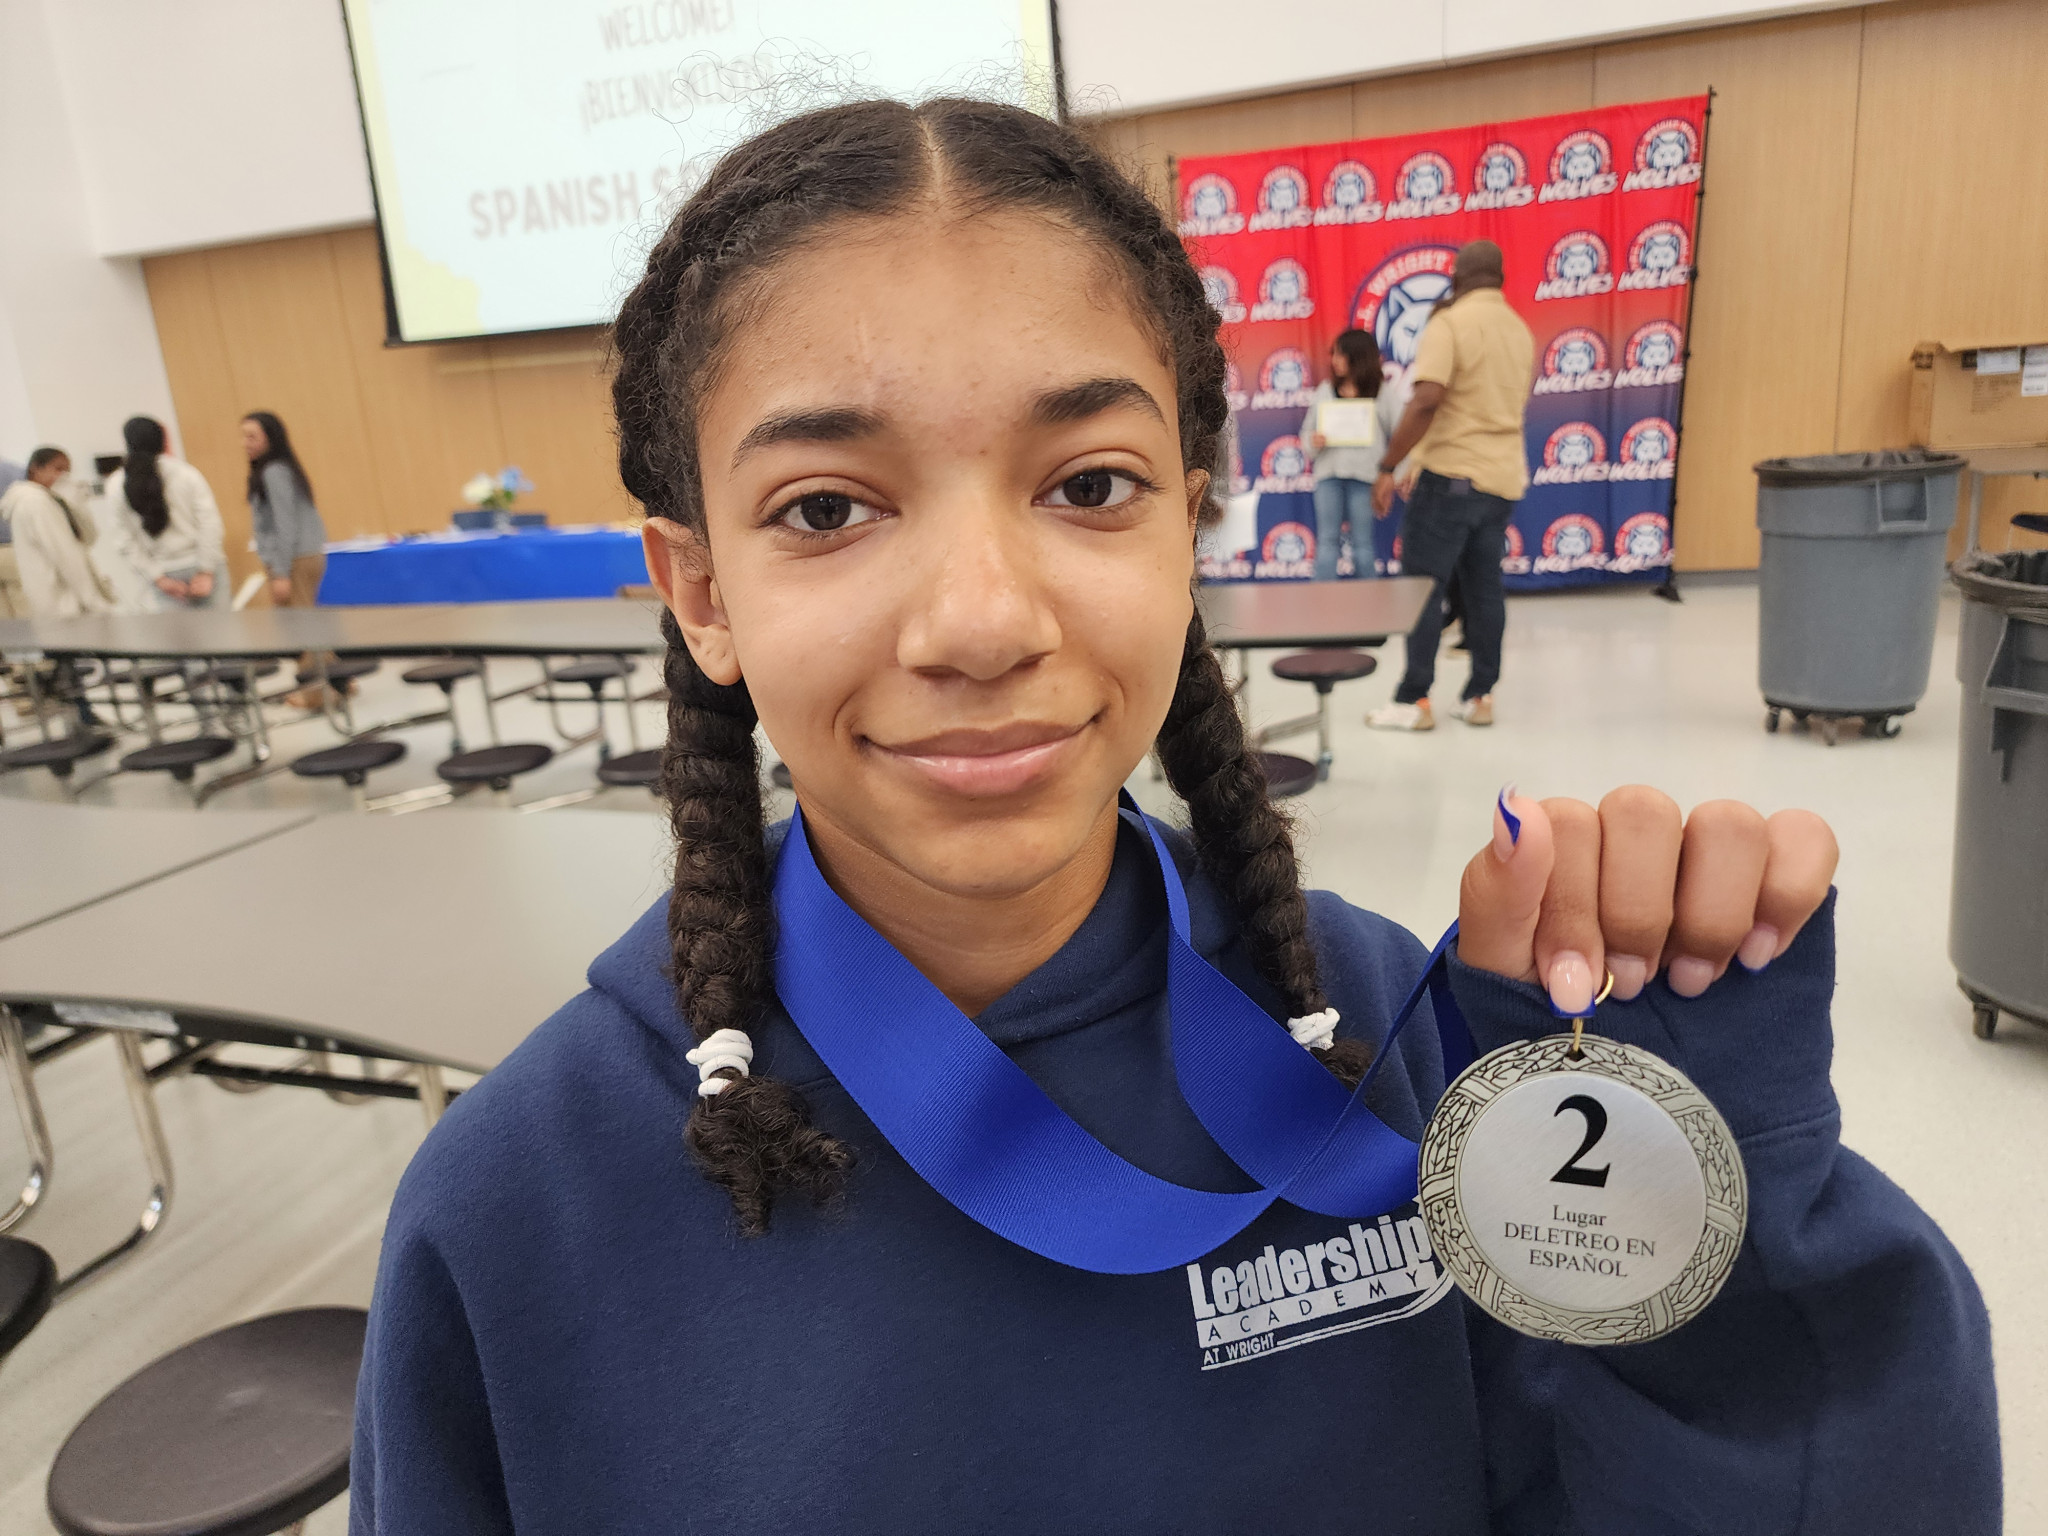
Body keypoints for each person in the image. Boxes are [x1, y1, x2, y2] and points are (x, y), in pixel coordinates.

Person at [350, 100, 1997, 1534]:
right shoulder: (519, 1215)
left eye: (1090, 485)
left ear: (1187, 530)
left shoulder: (1414, 1052)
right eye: (828, 506)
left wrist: (1706, 1221)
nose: (982, 622)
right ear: (701, 590)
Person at [1367, 239, 1534, 732]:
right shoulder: (1519, 330)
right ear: (1500, 278)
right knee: (1484, 590)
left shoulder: (1450, 323)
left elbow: (1427, 400)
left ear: (1457, 278)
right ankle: (1480, 696)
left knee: (1421, 588)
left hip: (1451, 479)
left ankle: (1414, 699)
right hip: (1501, 480)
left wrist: (1389, 465)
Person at [1298, 329, 1401, 580]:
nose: (1334, 360)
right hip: (1329, 476)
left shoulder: (1382, 392)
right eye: (1333, 354)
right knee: (1327, 541)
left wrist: (1393, 475)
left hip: (1365, 477)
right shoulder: (1325, 390)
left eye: (1340, 355)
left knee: (1363, 544)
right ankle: (1322, 600)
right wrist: (1314, 441)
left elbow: (1401, 434)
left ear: (1358, 356)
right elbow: (1306, 434)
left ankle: (1369, 600)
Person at [106, 415, 227, 610]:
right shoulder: (187, 474)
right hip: (204, 568)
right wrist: (206, 570)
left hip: (163, 574)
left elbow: (124, 540)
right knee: (221, 630)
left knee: (176, 632)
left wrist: (157, 578)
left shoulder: (115, 484)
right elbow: (210, 523)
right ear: (163, 440)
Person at [0, 447, 113, 618]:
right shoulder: (35, 500)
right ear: (36, 469)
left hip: (22, 562)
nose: (63, 477)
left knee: (9, 622)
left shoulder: (29, 496)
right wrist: (92, 600)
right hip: (52, 591)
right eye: (58, 469)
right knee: (23, 615)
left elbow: (88, 535)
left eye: (67, 472)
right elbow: (64, 553)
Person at [242, 411, 327, 612]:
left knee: (299, 623)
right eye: (244, 436)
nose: (245, 443)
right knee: (297, 621)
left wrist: (281, 573)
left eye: (252, 437)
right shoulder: (276, 469)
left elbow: (285, 523)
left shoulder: (274, 472)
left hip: (295, 560)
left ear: (270, 438)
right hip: (297, 557)